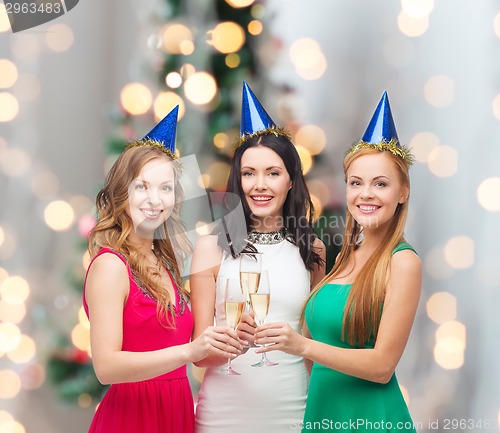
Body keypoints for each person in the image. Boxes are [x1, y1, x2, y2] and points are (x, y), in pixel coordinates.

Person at [255, 92, 422, 432]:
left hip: (370, 419)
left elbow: (381, 365)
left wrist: (303, 345)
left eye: (381, 184)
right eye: (356, 183)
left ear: (402, 192)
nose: (366, 194)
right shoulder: (344, 258)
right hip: (323, 415)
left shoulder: (402, 262)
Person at [83, 106, 242, 433]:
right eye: (142, 186)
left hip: (175, 414)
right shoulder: (111, 266)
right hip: (130, 419)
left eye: (165, 188)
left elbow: (200, 341)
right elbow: (106, 367)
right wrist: (188, 351)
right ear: (121, 193)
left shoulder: (166, 263)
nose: (154, 199)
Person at [190, 82, 326, 433]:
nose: (259, 185)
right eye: (249, 173)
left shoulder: (312, 250)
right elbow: (199, 355)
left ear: (291, 181)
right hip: (223, 415)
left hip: (293, 410)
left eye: (273, 173)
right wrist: (233, 342)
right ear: (238, 179)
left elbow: (314, 346)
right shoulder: (211, 248)